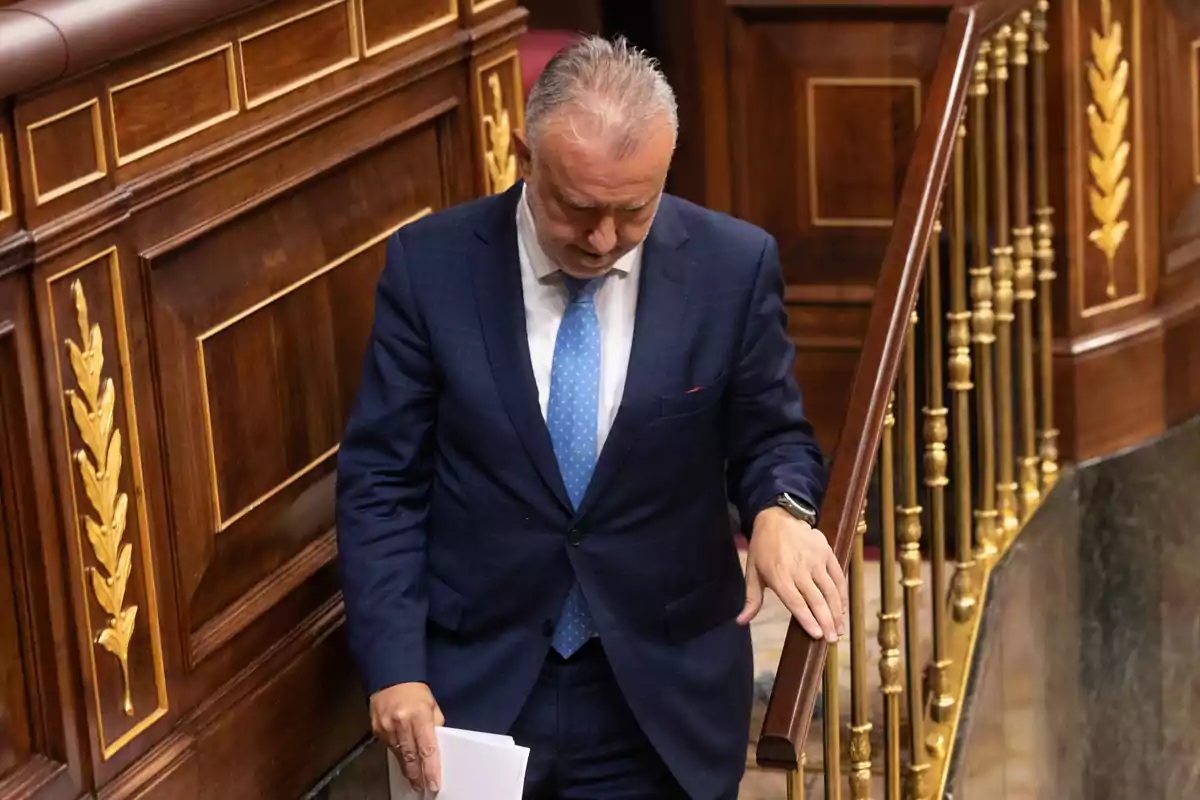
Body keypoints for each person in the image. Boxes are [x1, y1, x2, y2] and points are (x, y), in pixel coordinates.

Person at [336, 35, 846, 800]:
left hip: (660, 697)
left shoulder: (731, 267)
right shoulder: (429, 266)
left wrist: (780, 508)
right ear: (522, 156)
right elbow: (382, 483)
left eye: (633, 211)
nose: (603, 241)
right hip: (478, 696)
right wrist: (395, 666)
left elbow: (772, 435)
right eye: (576, 208)